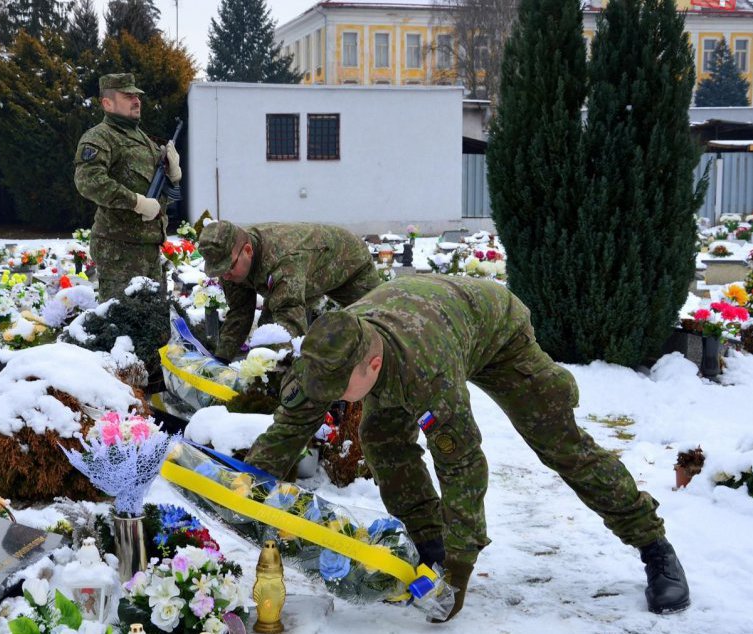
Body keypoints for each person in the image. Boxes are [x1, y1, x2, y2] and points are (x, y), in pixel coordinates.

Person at [245, 275, 690, 620]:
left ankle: (653, 544)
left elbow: (462, 467)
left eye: (340, 389)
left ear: (372, 364)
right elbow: (293, 421)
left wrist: (459, 571)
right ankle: (428, 545)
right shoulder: (331, 354)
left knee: (561, 444)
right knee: (382, 438)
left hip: (496, 331)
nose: (334, 399)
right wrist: (247, 482)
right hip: (428, 315)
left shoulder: (429, 374)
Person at [197, 220, 379, 361]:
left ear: (247, 251)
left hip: (349, 263)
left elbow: (289, 322)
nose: (225, 276)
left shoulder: (282, 261)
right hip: (310, 268)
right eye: (219, 271)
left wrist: (270, 371)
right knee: (267, 329)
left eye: (228, 267)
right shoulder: (233, 263)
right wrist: (220, 360)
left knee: (376, 323)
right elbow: (240, 312)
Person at [73, 73, 181, 301]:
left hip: (149, 251)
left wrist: (173, 176)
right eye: (127, 96)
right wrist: (137, 202)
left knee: (154, 325)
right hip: (119, 253)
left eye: (137, 96)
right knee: (123, 327)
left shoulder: (145, 141)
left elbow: (160, 200)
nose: (136, 101)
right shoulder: (100, 137)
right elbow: (88, 181)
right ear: (107, 103)